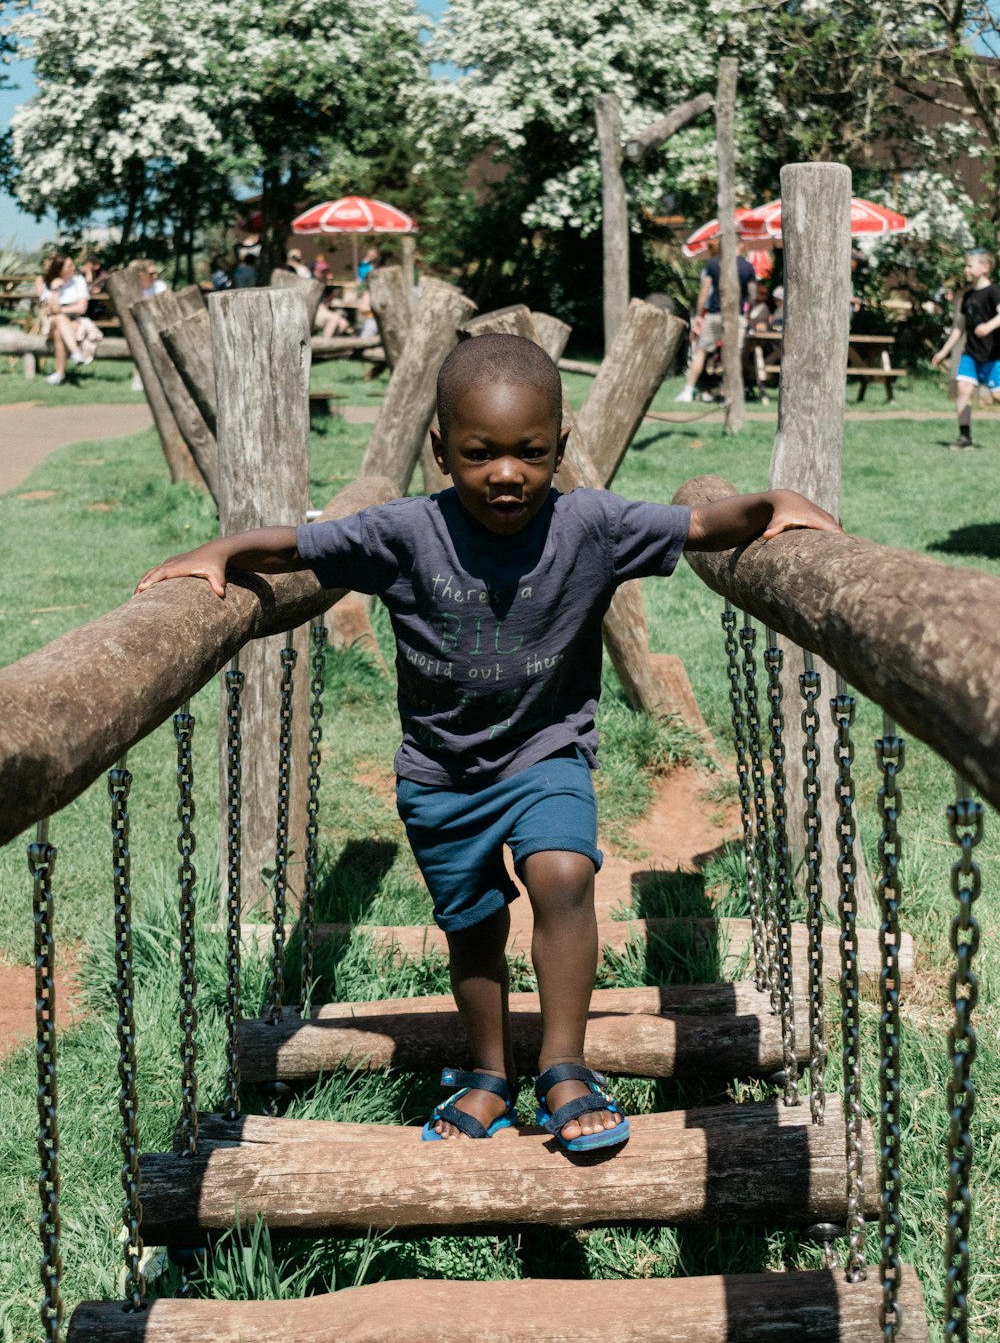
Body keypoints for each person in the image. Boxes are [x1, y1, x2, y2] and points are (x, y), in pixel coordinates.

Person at [134, 334, 842, 1151]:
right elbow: (299, 545)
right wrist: (218, 550)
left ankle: (567, 1068)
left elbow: (698, 523)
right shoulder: (403, 532)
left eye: (530, 453)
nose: (506, 473)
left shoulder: (593, 523)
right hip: (442, 774)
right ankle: (489, 1073)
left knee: (565, 873)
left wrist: (770, 505)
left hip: (549, 751)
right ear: (440, 449)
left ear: (561, 445)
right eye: (479, 454)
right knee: (473, 928)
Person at [931, 248, 1000, 449]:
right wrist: (943, 352)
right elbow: (959, 328)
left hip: (993, 355)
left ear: (985, 267)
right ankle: (964, 437)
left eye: (970, 265)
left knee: (997, 395)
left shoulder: (994, 292)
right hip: (970, 354)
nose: (965, 269)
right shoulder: (968, 296)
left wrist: (988, 326)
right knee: (963, 389)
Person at [676, 238, 757, 402]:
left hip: (714, 314)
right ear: (740, 245)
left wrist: (699, 315)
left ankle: (688, 390)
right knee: (733, 355)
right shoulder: (747, 267)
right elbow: (753, 295)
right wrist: (747, 315)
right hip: (736, 316)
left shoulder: (714, 264)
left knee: (701, 351)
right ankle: (729, 392)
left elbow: (705, 291)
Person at [35, 253, 93, 385]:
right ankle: (75, 352)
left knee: (59, 331)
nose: (73, 268)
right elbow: (53, 310)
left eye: (73, 265)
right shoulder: (49, 284)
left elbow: (82, 308)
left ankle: (60, 373)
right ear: (60, 269)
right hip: (51, 323)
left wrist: (61, 309)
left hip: (73, 322)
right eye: (69, 266)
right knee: (59, 319)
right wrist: (56, 290)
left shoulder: (78, 280)